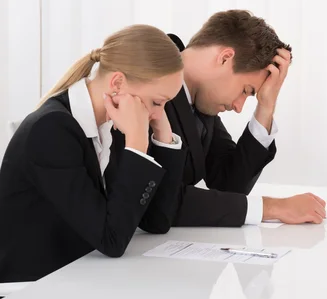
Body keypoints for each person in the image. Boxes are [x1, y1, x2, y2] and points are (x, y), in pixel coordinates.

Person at [0, 24, 187, 283]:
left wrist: (163, 134)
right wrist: (137, 142)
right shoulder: (52, 130)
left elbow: (157, 221)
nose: (157, 112)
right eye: (157, 102)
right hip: (32, 289)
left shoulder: (112, 125)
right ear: (118, 83)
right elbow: (112, 240)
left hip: (79, 277)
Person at [165, 10, 326, 227]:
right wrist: (272, 207)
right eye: (246, 90)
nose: (238, 107)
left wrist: (266, 105)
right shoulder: (149, 75)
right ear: (225, 58)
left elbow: (229, 186)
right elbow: (161, 201)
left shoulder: (201, 99)